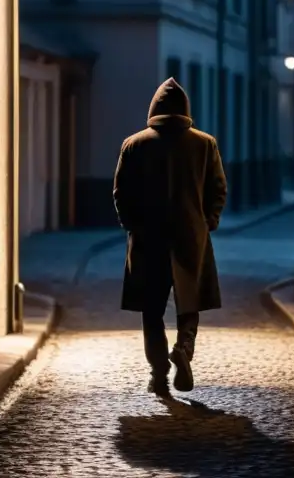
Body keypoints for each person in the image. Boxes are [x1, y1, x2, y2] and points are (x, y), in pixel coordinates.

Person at [113, 77, 227, 397]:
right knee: (189, 303)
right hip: (191, 235)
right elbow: (217, 187)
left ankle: (159, 374)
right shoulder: (205, 144)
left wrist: (131, 224)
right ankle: (184, 348)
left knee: (152, 310)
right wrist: (209, 221)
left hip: (149, 237)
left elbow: (121, 192)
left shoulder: (134, 144)